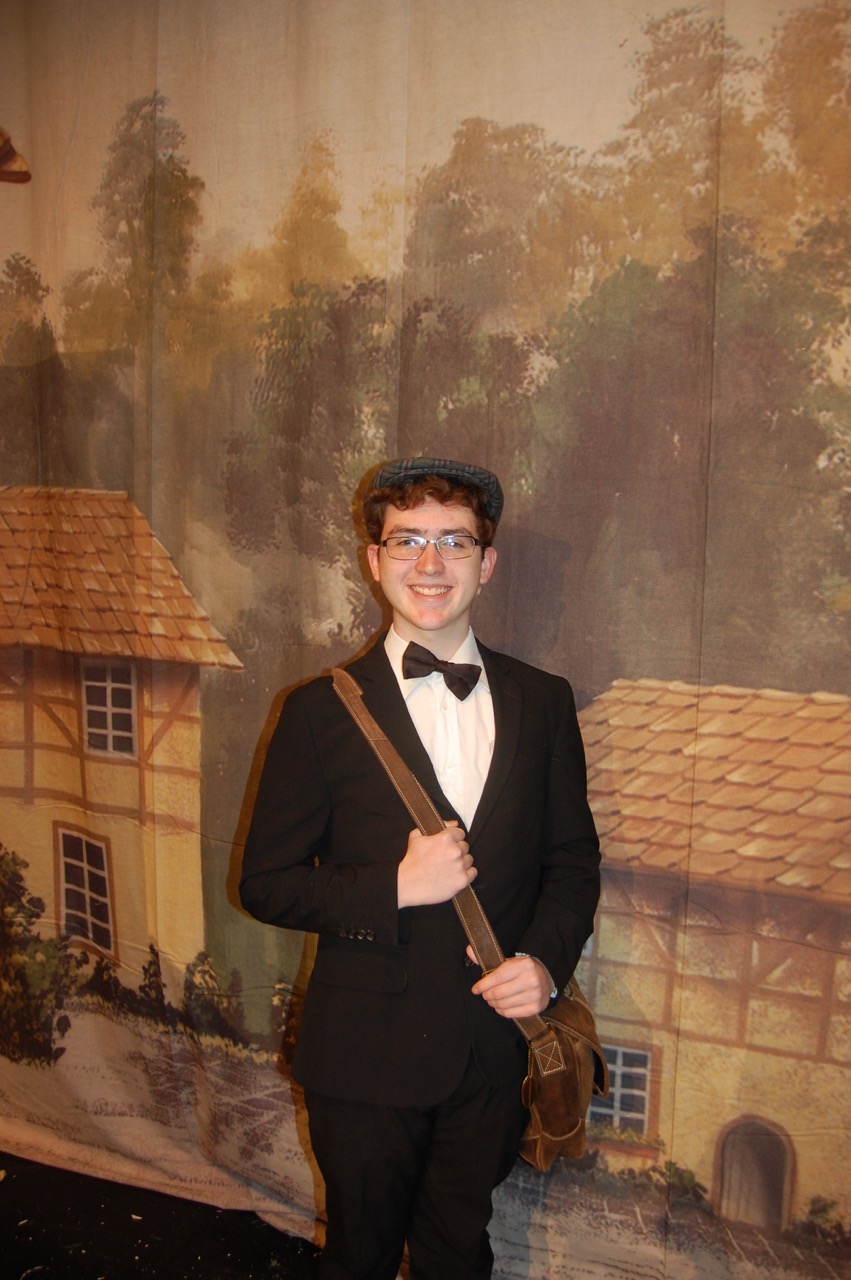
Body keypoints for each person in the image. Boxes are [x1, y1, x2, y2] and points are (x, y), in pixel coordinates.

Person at [239, 456, 600, 1280]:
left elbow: (572, 861)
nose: (429, 564)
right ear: (374, 560)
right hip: (363, 1052)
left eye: (454, 542)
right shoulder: (316, 711)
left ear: (486, 562)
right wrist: (395, 887)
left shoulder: (544, 701)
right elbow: (264, 882)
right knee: (359, 1256)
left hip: (492, 1051)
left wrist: (544, 963)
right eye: (406, 541)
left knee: (456, 1254)